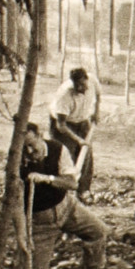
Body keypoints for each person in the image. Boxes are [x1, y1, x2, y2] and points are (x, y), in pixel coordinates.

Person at [20, 122, 113, 269]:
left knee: (98, 231)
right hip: (40, 223)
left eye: (31, 146)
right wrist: (21, 232)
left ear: (39, 136)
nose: (29, 151)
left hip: (67, 207)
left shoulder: (57, 149)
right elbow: (12, 203)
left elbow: (71, 183)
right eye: (24, 148)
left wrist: (46, 178)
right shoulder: (18, 162)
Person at [48, 67, 101, 198]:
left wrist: (96, 112)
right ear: (72, 83)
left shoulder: (93, 80)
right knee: (65, 156)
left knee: (86, 155)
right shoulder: (65, 95)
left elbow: (98, 96)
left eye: (83, 84)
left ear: (87, 80)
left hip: (82, 120)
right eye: (77, 85)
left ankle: (83, 191)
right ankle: (61, 193)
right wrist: (78, 140)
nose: (80, 87)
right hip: (65, 124)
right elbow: (61, 126)